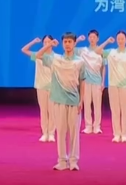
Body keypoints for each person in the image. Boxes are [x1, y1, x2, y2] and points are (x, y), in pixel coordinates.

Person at [35, 33, 86, 171]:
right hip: (58, 100)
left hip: (74, 101)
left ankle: (73, 161)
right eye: (65, 42)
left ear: (74, 43)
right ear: (62, 44)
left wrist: (81, 100)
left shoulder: (80, 62)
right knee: (61, 132)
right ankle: (62, 161)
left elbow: (82, 82)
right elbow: (37, 56)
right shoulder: (55, 59)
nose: (67, 44)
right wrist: (49, 45)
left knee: (74, 133)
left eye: (70, 42)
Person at [96, 31, 126, 143]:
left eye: (122, 39)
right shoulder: (111, 52)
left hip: (125, 85)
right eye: (118, 39)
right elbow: (97, 51)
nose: (120, 41)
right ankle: (116, 134)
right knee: (115, 110)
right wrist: (107, 41)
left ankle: (124, 134)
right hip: (113, 85)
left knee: (125, 110)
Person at [21, 36, 55, 142]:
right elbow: (24, 50)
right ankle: (45, 133)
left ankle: (51, 133)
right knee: (43, 110)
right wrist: (34, 41)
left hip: (53, 87)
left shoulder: (56, 57)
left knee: (52, 111)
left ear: (52, 43)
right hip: (41, 86)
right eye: (45, 42)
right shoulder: (38, 55)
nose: (46, 43)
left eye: (48, 42)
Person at [75, 30, 106, 134]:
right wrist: (78, 40)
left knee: (97, 105)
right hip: (86, 81)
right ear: (88, 38)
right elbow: (72, 48)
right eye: (90, 37)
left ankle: (97, 126)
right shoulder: (83, 50)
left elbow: (103, 67)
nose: (92, 39)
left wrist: (103, 82)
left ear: (98, 39)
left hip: (97, 81)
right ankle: (88, 126)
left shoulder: (101, 51)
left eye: (94, 37)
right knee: (86, 104)